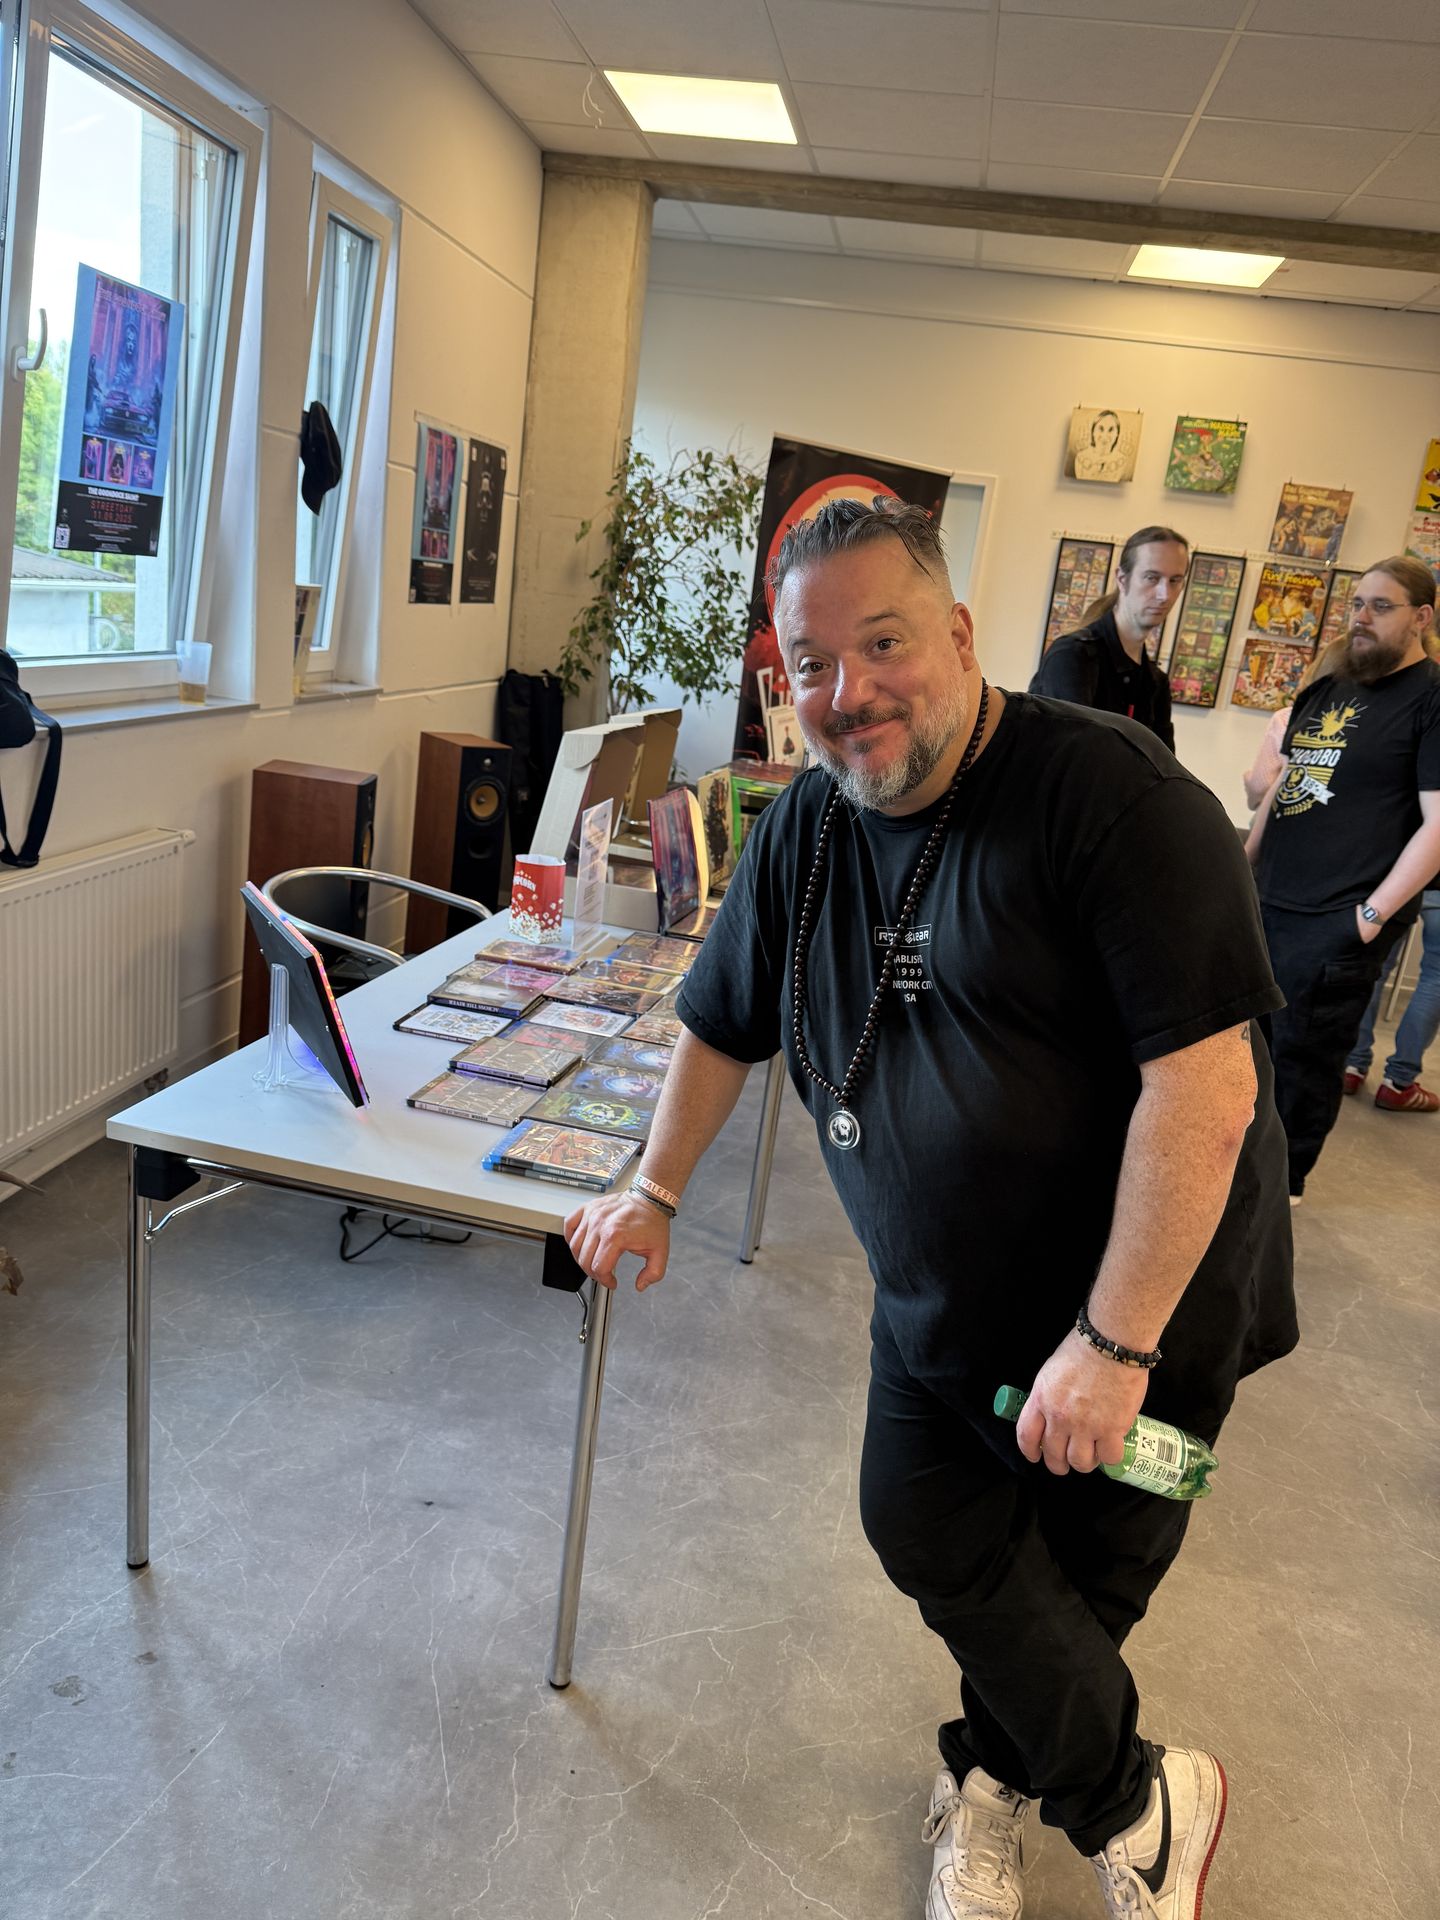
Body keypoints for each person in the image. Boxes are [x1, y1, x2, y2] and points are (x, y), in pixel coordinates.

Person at [567, 499, 1296, 1920]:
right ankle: (1145, 1802)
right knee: (926, 1523)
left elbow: (1208, 1094)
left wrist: (1114, 1344)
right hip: (944, 1297)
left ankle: (992, 1788)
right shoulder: (807, 827)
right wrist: (653, 1188)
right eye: (811, 663)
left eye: (883, 643)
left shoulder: (1117, 800)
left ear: (959, 634)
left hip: (1150, 1315)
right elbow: (720, 1018)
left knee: (1081, 1581)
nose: (849, 692)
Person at [1246, 556, 1440, 1199]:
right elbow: (1282, 786)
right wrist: (1244, 865)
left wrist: (1372, 916)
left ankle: (1284, 1190)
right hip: (1270, 902)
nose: (1361, 616)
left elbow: (1438, 826)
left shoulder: (1431, 699)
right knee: (1248, 1052)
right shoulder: (1329, 689)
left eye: (1381, 606)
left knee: (1303, 1061)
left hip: (1339, 919)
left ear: (1422, 617)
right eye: (1358, 603)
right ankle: (1238, 1178)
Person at [1029, 526, 1186, 749]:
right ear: (1122, 579)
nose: (1165, 595)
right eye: (1152, 578)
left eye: (1175, 581)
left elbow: (1164, 765)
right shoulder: (1072, 656)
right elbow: (1068, 755)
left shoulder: (1155, 682)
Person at [1343, 891, 1440, 1109]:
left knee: (1376, 968)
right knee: (1436, 979)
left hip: (1400, 881)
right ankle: (1398, 1083)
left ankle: (1352, 1066)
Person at [1240, 641, 1347, 812]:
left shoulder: (1287, 718)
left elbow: (1260, 785)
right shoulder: (1372, 726)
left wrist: (1249, 781)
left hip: (1287, 814)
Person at [1073, 409, 1127, 483]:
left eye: (1111, 430)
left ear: (1117, 434)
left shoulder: (1121, 461)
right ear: (1093, 432)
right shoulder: (1081, 457)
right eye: (1101, 429)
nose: (1105, 435)